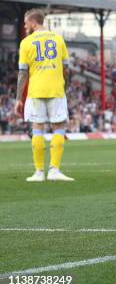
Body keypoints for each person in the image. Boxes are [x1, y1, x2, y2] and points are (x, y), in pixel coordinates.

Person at [14, 9, 74, 182]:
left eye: (26, 23)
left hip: (35, 91)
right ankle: (54, 170)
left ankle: (39, 172)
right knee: (59, 128)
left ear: (33, 23)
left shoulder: (26, 43)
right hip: (56, 89)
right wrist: (65, 87)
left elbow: (23, 73)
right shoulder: (58, 39)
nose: (25, 26)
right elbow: (66, 69)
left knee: (37, 128)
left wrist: (19, 98)